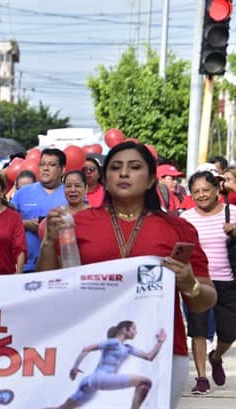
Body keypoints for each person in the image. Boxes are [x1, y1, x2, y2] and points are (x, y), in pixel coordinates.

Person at [37, 142, 217, 407]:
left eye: (134, 167)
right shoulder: (77, 225)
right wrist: (48, 242)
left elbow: (205, 299)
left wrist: (189, 282)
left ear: (151, 179)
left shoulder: (178, 229)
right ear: (104, 178)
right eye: (116, 168)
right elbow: (45, 285)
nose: (123, 174)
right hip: (85, 346)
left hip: (165, 354)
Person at [180, 171, 236, 394]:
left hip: (228, 281)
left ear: (216, 190)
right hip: (197, 281)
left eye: (205, 190)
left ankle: (217, 356)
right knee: (198, 329)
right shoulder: (185, 218)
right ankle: (202, 377)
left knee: (229, 332)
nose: (201, 195)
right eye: (196, 192)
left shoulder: (232, 213)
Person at [47, 321, 166, 409]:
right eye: (134, 329)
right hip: (101, 378)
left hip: (90, 381)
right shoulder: (114, 342)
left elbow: (149, 356)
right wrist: (74, 368)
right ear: (125, 329)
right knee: (146, 382)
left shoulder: (127, 348)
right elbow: (86, 349)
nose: (136, 332)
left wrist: (160, 342)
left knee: (62, 408)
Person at [12, 148, 67, 273]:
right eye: (42, 164)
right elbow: (7, 222)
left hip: (60, 267)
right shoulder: (22, 193)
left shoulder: (71, 193)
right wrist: (26, 224)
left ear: (62, 170)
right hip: (26, 266)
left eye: (52, 165)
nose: (45, 168)